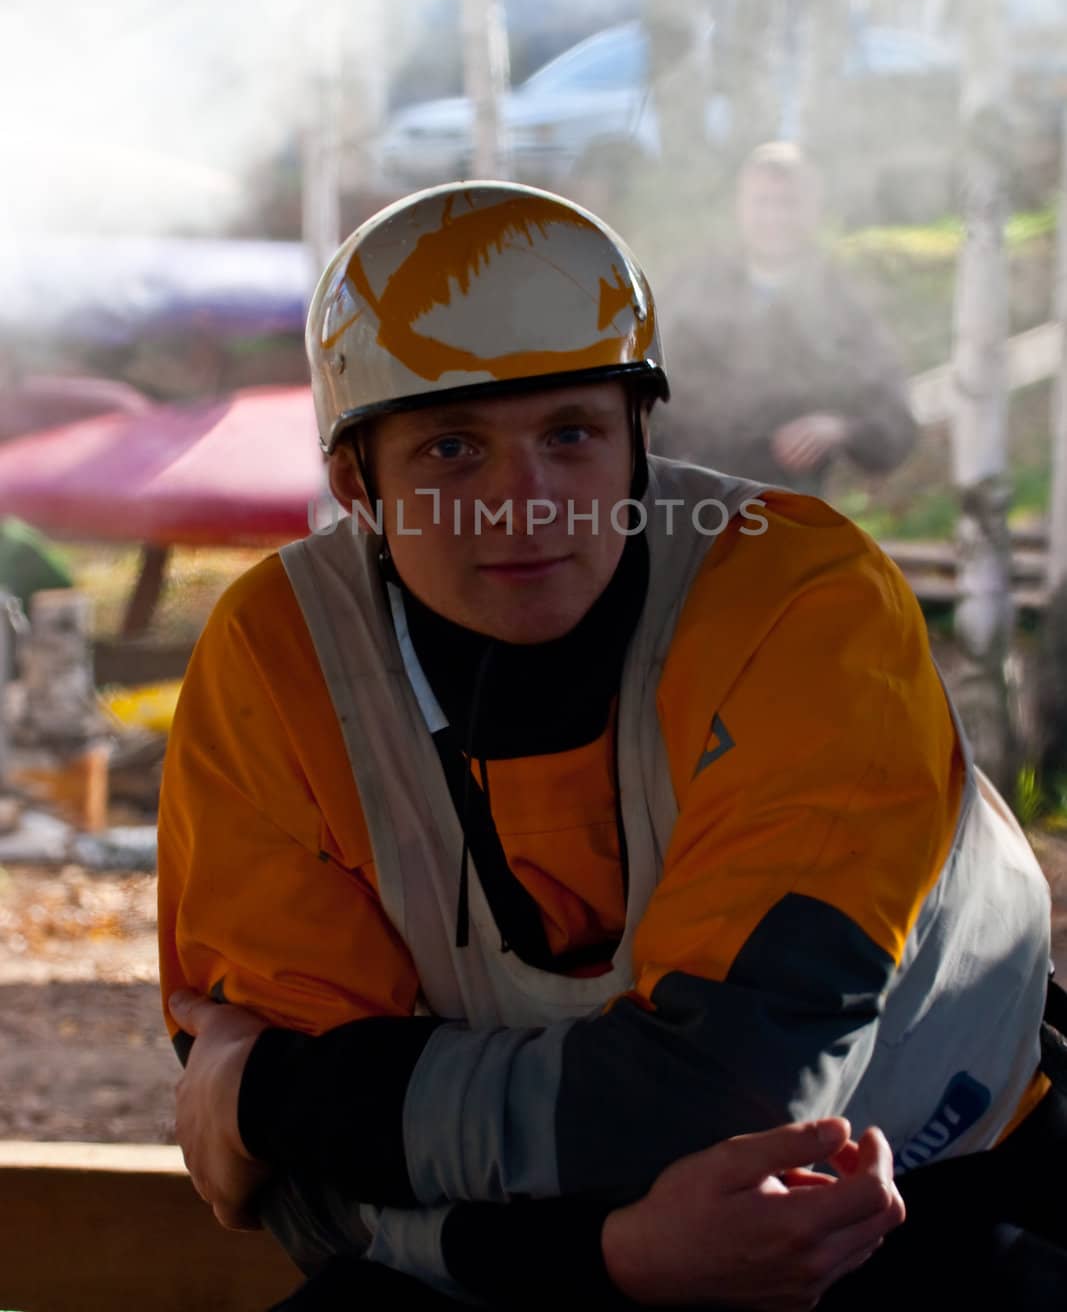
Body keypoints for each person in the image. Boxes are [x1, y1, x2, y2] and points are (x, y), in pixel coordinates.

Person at [159, 181, 1065, 1310]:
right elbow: (301, 1195)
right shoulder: (276, 661)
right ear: (355, 483)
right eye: (449, 449)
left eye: (570, 434)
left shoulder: (802, 609)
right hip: (513, 1251)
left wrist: (261, 1098)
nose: (522, 502)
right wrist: (606, 1255)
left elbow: (729, 1097)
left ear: (641, 441)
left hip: (926, 1206)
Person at [655, 143, 917, 495]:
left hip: (791, 510)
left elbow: (896, 423)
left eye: (789, 203)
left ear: (814, 209)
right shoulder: (693, 288)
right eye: (763, 202)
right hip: (690, 500)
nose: (775, 217)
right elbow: (651, 383)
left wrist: (840, 428)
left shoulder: (843, 304)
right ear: (740, 207)